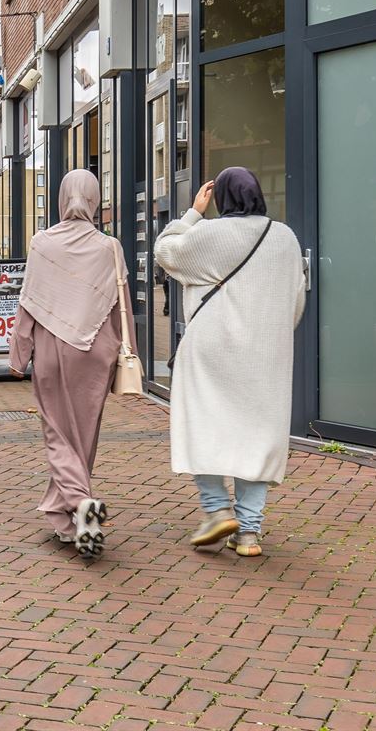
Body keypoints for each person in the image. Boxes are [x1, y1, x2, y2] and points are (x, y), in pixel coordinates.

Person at [155, 167, 306, 558]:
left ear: (222, 197)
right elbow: (296, 300)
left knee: (202, 424)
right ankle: (249, 534)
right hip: (265, 357)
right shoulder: (284, 237)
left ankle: (216, 509)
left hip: (211, 350)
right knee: (257, 437)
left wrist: (192, 214)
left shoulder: (209, 234)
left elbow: (165, 251)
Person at [7, 170, 135, 558]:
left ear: (62, 198)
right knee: (82, 436)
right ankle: (63, 520)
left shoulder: (43, 243)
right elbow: (121, 306)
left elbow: (29, 302)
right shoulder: (109, 247)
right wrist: (125, 355)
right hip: (95, 351)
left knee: (58, 435)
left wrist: (18, 354)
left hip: (51, 350)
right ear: (96, 199)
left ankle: (82, 506)